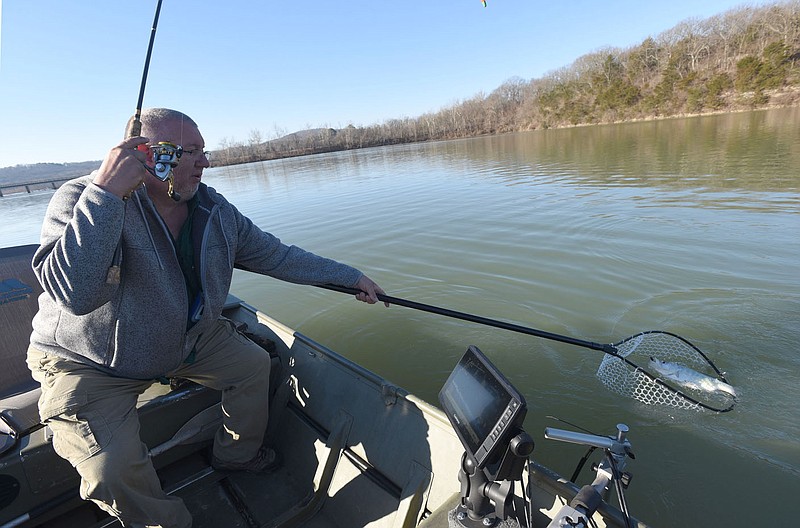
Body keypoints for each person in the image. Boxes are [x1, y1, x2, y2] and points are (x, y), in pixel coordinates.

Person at [27, 108, 387, 528]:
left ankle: (236, 454)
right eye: (192, 152)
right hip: (89, 360)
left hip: (184, 338)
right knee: (112, 470)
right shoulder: (81, 199)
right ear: (150, 154)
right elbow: (74, 294)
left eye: (204, 150)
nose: (206, 162)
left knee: (253, 365)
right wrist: (106, 194)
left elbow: (278, 256)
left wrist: (350, 278)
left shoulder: (215, 211)